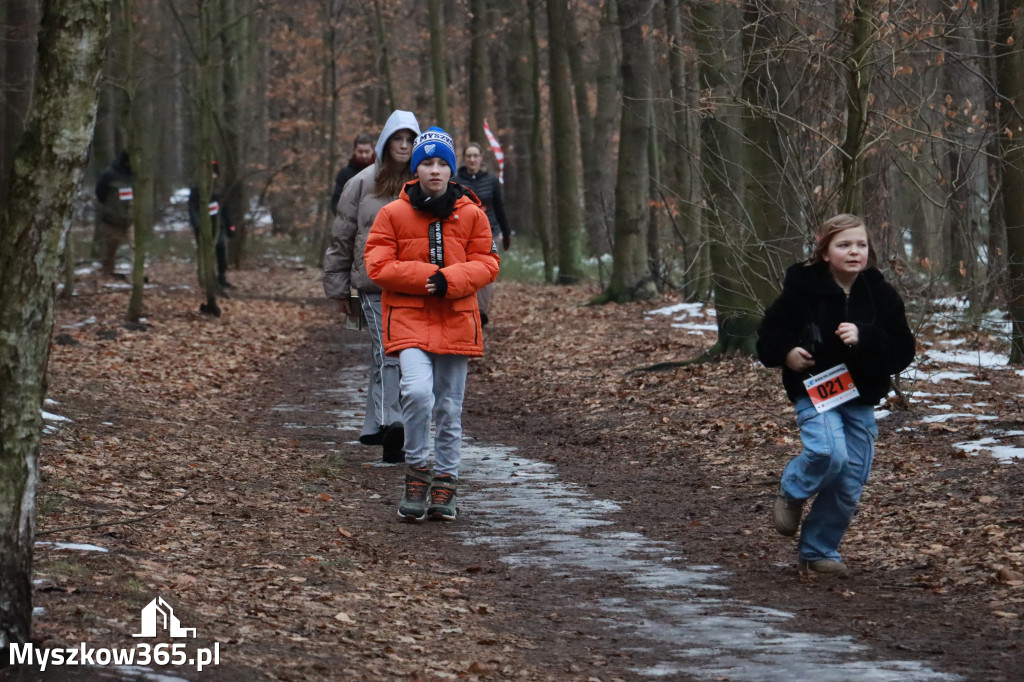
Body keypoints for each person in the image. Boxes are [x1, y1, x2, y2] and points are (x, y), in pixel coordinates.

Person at [756, 214, 915, 578]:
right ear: (825, 251)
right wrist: (787, 353)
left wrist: (866, 338)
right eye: (843, 245)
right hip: (816, 391)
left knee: (850, 480)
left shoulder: (881, 295)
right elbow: (769, 334)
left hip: (860, 397)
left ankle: (818, 551)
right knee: (828, 452)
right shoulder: (802, 290)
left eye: (860, 244)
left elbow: (903, 350)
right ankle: (793, 490)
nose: (854, 252)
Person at [364, 127, 499, 521]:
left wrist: (450, 280)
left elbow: (488, 263)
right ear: (416, 168)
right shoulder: (393, 213)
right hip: (408, 320)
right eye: (427, 163)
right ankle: (418, 469)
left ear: (451, 169)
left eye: (442, 163)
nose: (435, 170)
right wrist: (427, 276)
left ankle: (446, 481)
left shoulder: (472, 213)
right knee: (418, 394)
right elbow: (377, 264)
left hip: (456, 319)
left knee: (449, 409)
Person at [324, 110, 421, 463]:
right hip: (373, 284)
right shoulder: (361, 184)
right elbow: (342, 237)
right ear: (386, 141)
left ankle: (384, 425)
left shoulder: (423, 182)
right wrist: (338, 289)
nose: (405, 146)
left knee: (401, 355)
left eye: (411, 140)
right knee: (387, 351)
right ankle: (389, 425)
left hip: (414, 282)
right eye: (399, 138)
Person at [454, 142, 511, 326]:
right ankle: (466, 309)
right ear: (464, 158)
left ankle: (481, 310)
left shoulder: (492, 181)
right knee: (467, 272)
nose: (472, 159)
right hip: (463, 234)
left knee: (486, 272)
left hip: (489, 232)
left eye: (475, 156)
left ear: (481, 158)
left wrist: (506, 232)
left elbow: (500, 207)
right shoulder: (455, 181)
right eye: (468, 156)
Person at [188, 161, 235, 289]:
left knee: (221, 250)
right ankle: (207, 277)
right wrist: (198, 225)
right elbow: (192, 209)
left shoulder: (219, 190)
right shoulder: (197, 190)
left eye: (214, 173)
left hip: (219, 226)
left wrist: (230, 225)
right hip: (203, 227)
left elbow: (225, 209)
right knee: (205, 253)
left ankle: (221, 277)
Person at [94, 151, 134, 278]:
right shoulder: (109, 175)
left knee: (136, 247)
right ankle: (107, 274)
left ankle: (137, 274)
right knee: (110, 250)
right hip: (112, 219)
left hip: (131, 220)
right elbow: (100, 193)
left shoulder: (135, 175)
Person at [330, 133, 376, 216]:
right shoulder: (344, 174)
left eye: (367, 151)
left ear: (372, 150)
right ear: (355, 150)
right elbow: (336, 202)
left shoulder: (381, 172)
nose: (364, 155)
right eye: (360, 152)